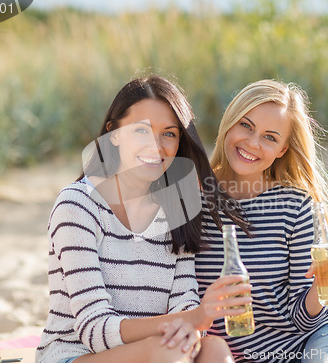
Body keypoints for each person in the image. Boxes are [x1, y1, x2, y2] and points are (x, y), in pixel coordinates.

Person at [36, 74, 252, 363]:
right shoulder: (78, 204)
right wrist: (192, 319)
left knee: (215, 350)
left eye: (169, 133)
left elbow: (183, 301)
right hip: (76, 355)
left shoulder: (176, 207)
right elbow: (94, 328)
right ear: (113, 133)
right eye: (141, 131)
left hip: (160, 351)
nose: (156, 145)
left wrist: (191, 326)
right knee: (167, 351)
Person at [195, 79, 328, 363]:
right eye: (246, 126)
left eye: (270, 137)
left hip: (313, 337)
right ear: (229, 123)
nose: (252, 143)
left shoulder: (295, 205)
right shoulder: (190, 199)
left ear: (282, 150)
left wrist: (320, 288)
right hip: (228, 352)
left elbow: (302, 321)